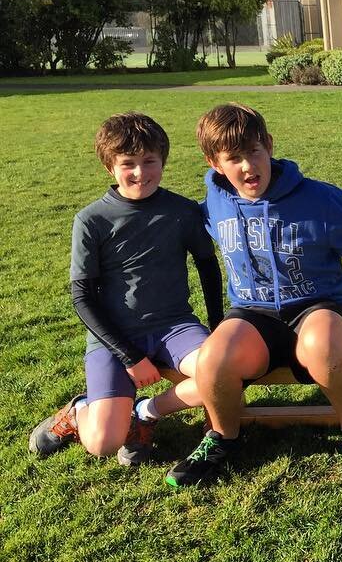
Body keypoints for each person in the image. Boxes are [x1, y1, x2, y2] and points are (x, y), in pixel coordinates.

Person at [164, 103, 342, 488]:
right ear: (213, 162)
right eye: (234, 158)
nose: (248, 167)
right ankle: (223, 436)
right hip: (252, 313)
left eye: (255, 152)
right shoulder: (215, 202)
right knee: (214, 357)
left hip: (318, 305)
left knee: (323, 344)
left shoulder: (316, 199)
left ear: (270, 146)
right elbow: (162, 220)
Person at [30, 112, 222, 466]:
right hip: (114, 336)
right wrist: (130, 357)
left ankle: (145, 413)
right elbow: (82, 297)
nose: (140, 173)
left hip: (175, 326)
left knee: (221, 371)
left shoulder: (182, 211)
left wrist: (218, 326)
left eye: (149, 161)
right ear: (110, 168)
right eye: (127, 164)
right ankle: (78, 412)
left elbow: (208, 266)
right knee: (103, 442)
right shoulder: (92, 220)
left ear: (163, 160)